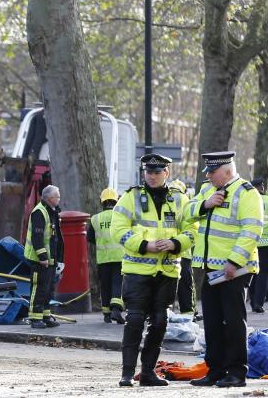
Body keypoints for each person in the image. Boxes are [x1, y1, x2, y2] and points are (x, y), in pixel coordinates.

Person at [111, 153, 195, 387]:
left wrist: (176, 243)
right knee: (135, 319)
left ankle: (147, 372)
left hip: (167, 271)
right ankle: (127, 373)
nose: (152, 176)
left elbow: (192, 229)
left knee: (159, 321)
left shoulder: (179, 199)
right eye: (149, 172)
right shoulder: (131, 197)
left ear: (166, 173)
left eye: (157, 172)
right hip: (138, 270)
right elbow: (118, 229)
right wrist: (143, 245)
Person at [186, 152, 264, 388]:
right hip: (210, 268)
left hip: (234, 270)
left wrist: (234, 261)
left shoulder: (246, 192)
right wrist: (204, 204)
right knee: (211, 321)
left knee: (233, 321)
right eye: (207, 172)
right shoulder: (207, 191)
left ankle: (237, 372)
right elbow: (185, 214)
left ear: (227, 171)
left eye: (212, 172)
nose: (208, 176)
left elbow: (252, 231)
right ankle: (215, 370)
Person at [23, 184, 64, 330]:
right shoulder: (39, 212)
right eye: (58, 196)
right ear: (51, 198)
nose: (59, 199)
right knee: (39, 288)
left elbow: (55, 237)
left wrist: (58, 259)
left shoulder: (52, 211)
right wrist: (43, 257)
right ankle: (35, 318)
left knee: (48, 290)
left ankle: (45, 316)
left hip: (50, 259)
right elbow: (37, 237)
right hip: (40, 260)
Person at [87, 188, 124, 324]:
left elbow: (90, 237)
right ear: (116, 201)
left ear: (102, 202)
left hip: (103, 258)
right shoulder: (120, 216)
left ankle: (107, 314)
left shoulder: (95, 219)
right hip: (119, 256)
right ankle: (116, 310)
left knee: (105, 285)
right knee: (117, 283)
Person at [169, 179, 198, 316]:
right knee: (185, 285)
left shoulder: (163, 198)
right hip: (183, 250)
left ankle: (164, 314)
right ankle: (188, 314)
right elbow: (192, 224)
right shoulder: (186, 199)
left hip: (163, 251)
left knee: (165, 285)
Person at [249, 178, 268, 313]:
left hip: (252, 241)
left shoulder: (249, 200)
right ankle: (258, 303)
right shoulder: (267, 199)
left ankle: (252, 300)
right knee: (263, 273)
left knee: (253, 271)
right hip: (266, 242)